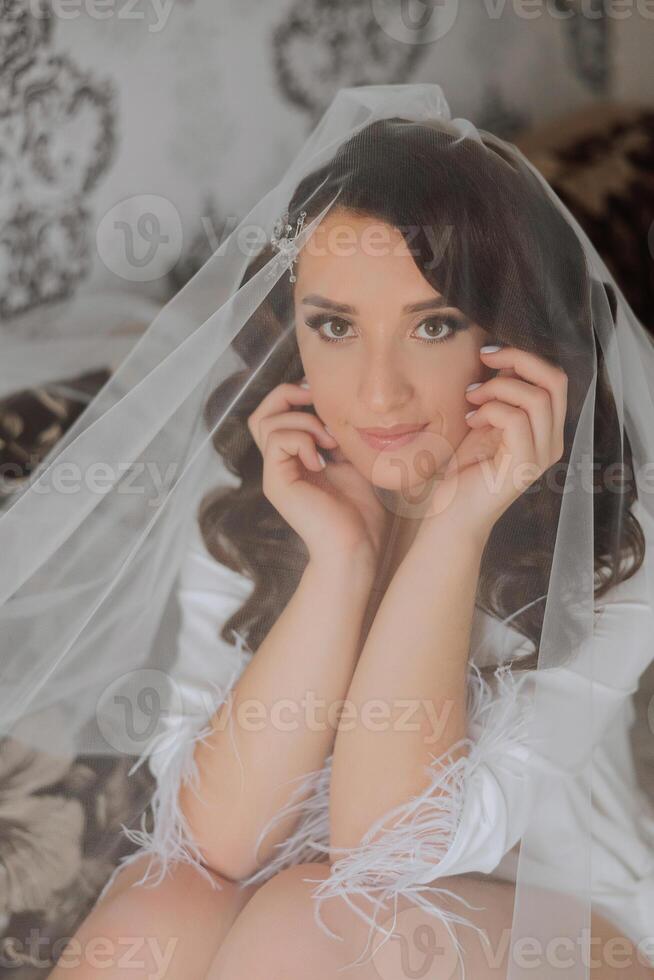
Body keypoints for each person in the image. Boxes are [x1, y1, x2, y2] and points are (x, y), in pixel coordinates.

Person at [3, 83, 654, 979]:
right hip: (313, 905)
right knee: (162, 905)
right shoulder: (266, 479)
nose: (377, 395)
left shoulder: (616, 527)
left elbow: (390, 849)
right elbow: (215, 839)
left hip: (568, 920)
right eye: (336, 326)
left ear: (512, 339)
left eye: (433, 324)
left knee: (304, 923)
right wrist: (339, 562)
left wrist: (458, 529)